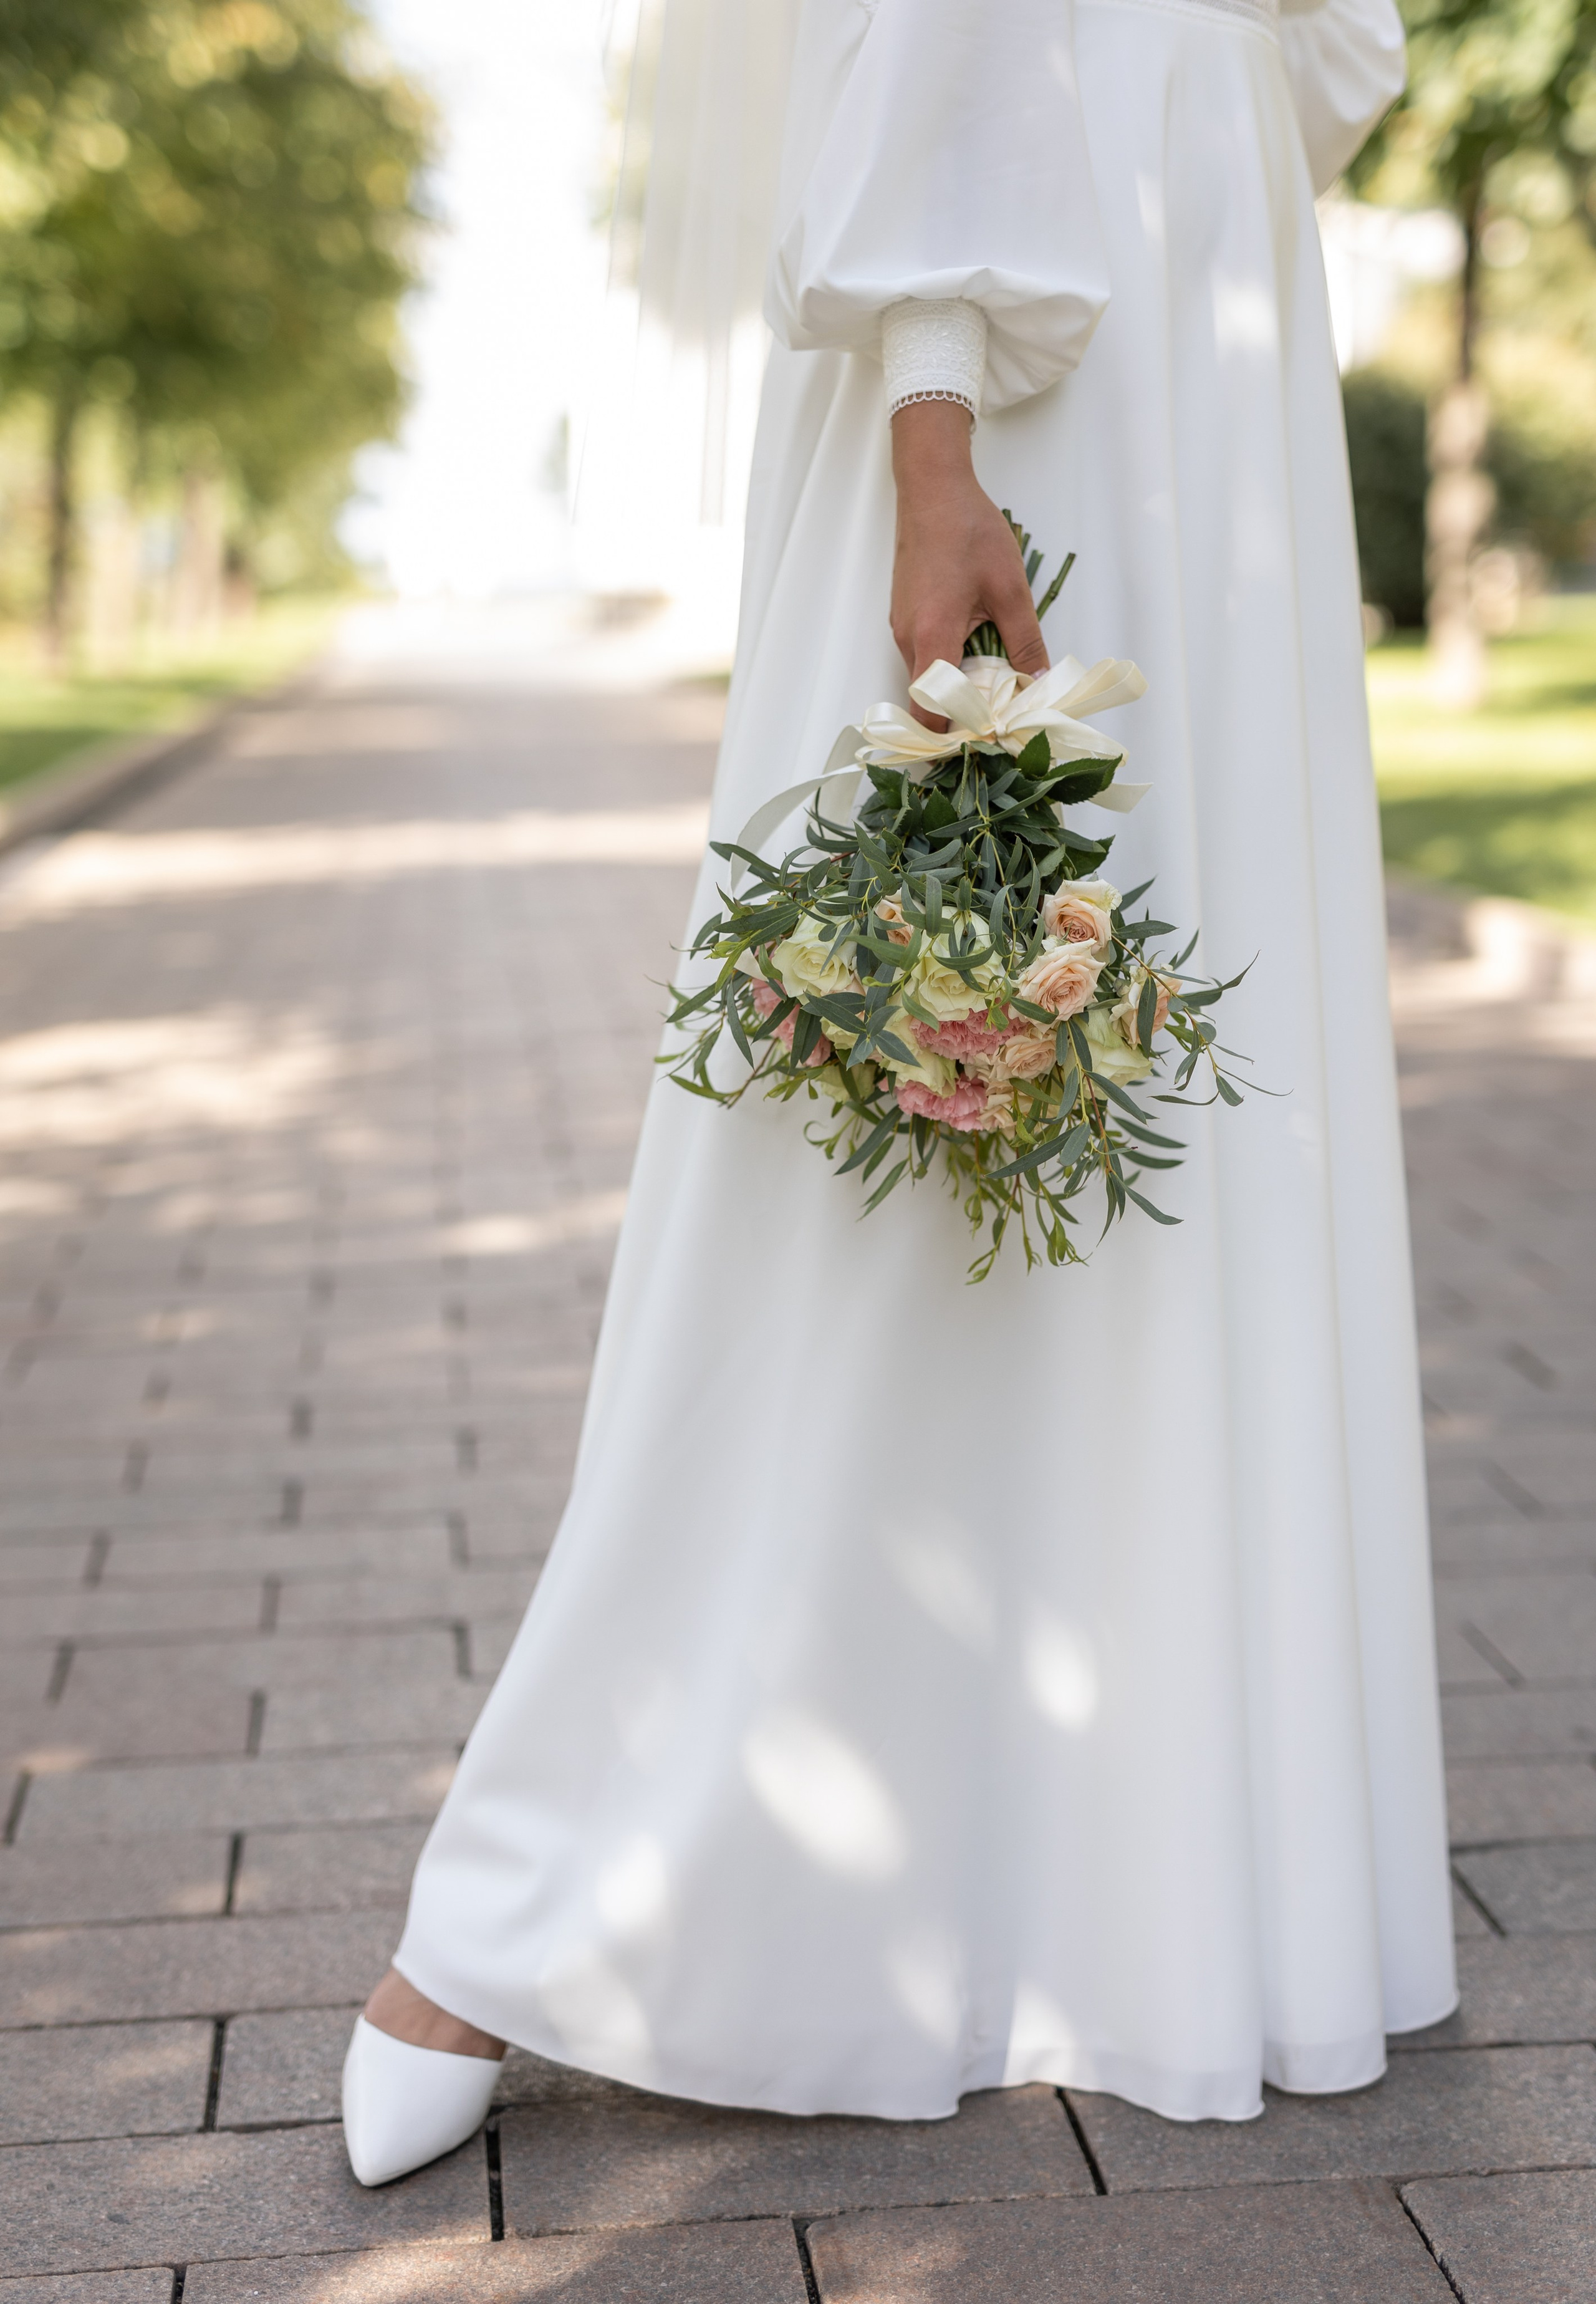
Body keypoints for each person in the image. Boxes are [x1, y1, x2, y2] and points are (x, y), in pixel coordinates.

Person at [342, 0, 1458, 2187]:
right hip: (1040, 298)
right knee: (869, 1106)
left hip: (1192, 263)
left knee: (1175, 1088)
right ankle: (530, 1899)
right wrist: (936, 424)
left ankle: (1132, 1877)